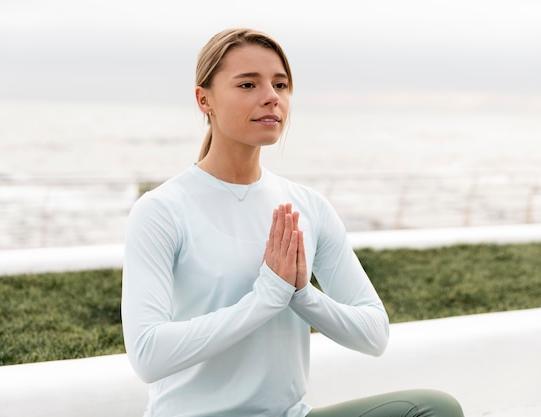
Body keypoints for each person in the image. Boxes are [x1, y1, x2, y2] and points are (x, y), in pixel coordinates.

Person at [121, 28, 464, 417]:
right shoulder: (162, 210)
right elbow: (148, 355)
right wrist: (265, 298)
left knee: (435, 410)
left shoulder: (308, 207)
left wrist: (302, 295)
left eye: (281, 84)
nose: (272, 96)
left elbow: (374, 333)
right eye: (248, 84)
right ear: (205, 100)